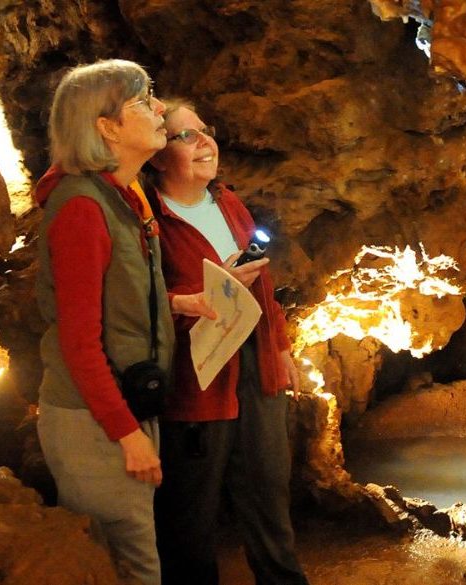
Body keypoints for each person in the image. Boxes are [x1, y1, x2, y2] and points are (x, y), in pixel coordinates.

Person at [34, 60, 214, 585]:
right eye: (143, 102)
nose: (161, 109)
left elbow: (117, 297)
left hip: (123, 404)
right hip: (93, 419)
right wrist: (127, 434)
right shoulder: (81, 208)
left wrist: (178, 304)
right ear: (106, 126)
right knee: (129, 565)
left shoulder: (123, 195)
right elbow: (78, 339)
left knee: (134, 550)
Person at [144, 98, 309, 585]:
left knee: (268, 488)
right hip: (199, 375)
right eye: (186, 136)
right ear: (158, 156)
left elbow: (265, 286)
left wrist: (281, 349)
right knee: (192, 505)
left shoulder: (227, 201)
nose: (204, 142)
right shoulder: (152, 219)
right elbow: (140, 299)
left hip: (255, 363)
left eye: (205, 131)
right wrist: (191, 298)